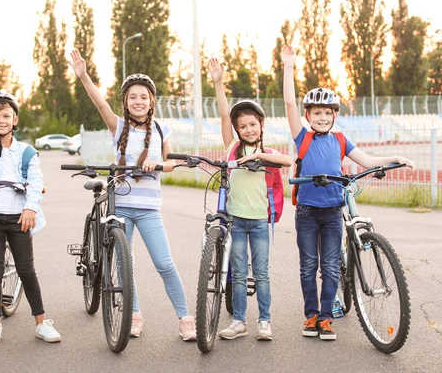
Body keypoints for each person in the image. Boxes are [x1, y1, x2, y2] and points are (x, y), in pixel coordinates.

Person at [281, 45, 415, 341]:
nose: (323, 117)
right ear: (308, 115)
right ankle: (311, 316)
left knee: (329, 266)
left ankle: (326, 318)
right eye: (317, 113)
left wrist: (396, 159)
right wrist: (288, 67)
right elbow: (289, 105)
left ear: (335, 115)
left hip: (331, 212)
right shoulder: (303, 137)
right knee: (308, 266)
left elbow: (367, 161)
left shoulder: (341, 140)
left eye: (328, 113)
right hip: (305, 211)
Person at [68, 49, 196, 341]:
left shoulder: (162, 128)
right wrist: (83, 75)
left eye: (143, 97)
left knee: (164, 262)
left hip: (149, 209)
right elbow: (99, 103)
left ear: (152, 101)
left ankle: (185, 317)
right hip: (121, 206)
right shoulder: (120, 126)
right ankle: (134, 313)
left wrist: (159, 164)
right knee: (125, 262)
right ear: (125, 102)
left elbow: (172, 162)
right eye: (132, 97)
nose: (138, 101)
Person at [0, 70, 61, 345]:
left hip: (19, 218)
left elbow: (36, 181)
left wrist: (30, 208)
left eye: (6, 115)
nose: (1, 120)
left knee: (26, 270)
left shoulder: (27, 152)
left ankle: (41, 322)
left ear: (15, 119)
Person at [207, 57, 293, 341]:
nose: (248, 130)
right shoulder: (232, 148)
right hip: (237, 220)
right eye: (243, 126)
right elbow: (223, 114)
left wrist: (257, 155)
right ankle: (240, 321)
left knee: (263, 273)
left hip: (259, 222)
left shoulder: (267, 153)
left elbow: (288, 160)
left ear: (261, 124)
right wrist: (219, 82)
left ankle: (264, 321)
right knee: (240, 273)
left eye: (252, 124)